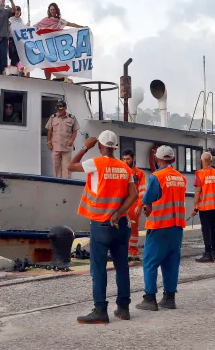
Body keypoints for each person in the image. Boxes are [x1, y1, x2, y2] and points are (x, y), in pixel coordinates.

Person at [68, 130, 137, 324]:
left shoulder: (96, 163)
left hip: (100, 224)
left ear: (99, 146)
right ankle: (123, 309)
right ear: (115, 147)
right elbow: (133, 195)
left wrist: (84, 147)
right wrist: (118, 212)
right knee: (122, 267)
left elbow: (70, 165)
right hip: (120, 224)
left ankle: (100, 310)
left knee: (98, 269)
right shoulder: (125, 168)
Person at [136, 145, 187, 312]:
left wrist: (144, 207)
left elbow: (148, 199)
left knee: (150, 262)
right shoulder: (181, 178)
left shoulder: (156, 177)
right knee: (171, 263)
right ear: (173, 160)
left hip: (159, 226)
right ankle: (169, 298)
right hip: (177, 227)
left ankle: (150, 298)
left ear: (157, 160)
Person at [35, 3, 85, 79]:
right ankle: (48, 80)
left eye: (53, 9)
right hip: (48, 44)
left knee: (58, 61)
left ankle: (60, 77)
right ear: (49, 11)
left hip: (57, 45)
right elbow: (35, 27)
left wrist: (82, 27)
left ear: (56, 10)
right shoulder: (46, 20)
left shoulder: (60, 21)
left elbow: (70, 24)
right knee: (47, 62)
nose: (52, 11)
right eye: (51, 10)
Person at [192, 152, 215, 263]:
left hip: (205, 207)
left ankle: (207, 254)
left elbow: (198, 192)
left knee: (206, 230)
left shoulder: (200, 174)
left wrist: (194, 207)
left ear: (201, 161)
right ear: (210, 161)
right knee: (213, 229)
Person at [122, 149, 147, 261]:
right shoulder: (121, 172)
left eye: (128, 159)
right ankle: (122, 251)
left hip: (134, 204)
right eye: (124, 159)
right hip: (122, 203)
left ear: (133, 159)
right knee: (120, 227)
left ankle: (133, 251)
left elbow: (142, 190)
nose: (126, 161)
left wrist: (140, 205)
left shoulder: (139, 173)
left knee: (133, 228)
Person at [45, 100, 80, 178]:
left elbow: (75, 131)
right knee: (56, 168)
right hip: (56, 147)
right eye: (58, 108)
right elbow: (49, 130)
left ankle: (66, 183)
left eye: (61, 108)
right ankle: (58, 183)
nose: (59, 110)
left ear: (65, 108)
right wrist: (48, 142)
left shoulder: (72, 118)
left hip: (66, 147)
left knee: (67, 169)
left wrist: (72, 140)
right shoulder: (53, 117)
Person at [6, 0, 23, 75]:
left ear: (20, 12)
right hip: (12, 39)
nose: (17, 12)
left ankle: (15, 71)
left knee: (17, 56)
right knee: (12, 54)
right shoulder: (10, 19)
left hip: (19, 40)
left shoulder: (21, 21)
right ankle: (12, 71)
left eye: (18, 11)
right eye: (16, 10)